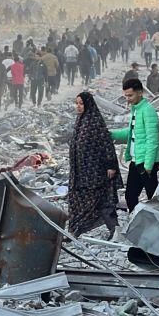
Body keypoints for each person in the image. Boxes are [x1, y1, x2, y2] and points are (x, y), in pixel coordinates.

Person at [67, 92, 122, 238]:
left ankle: (114, 230)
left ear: (88, 104)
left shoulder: (95, 122)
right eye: (77, 103)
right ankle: (74, 230)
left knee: (102, 201)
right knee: (77, 201)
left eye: (81, 103)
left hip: (95, 172)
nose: (78, 107)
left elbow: (106, 144)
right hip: (80, 172)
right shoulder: (80, 121)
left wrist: (111, 166)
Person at [110, 78, 159, 212]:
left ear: (140, 92)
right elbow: (132, 133)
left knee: (153, 197)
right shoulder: (136, 110)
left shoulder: (148, 111)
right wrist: (112, 134)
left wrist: (148, 165)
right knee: (130, 196)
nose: (127, 99)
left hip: (145, 162)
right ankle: (139, 222)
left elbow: (153, 140)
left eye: (130, 95)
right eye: (125, 95)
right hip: (136, 160)